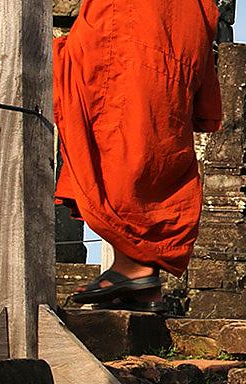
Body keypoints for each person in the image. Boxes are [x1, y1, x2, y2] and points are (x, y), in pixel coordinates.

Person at [55, 0, 223, 313]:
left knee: (122, 127)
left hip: (136, 21)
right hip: (174, 23)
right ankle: (137, 276)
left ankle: (135, 269)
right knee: (155, 130)